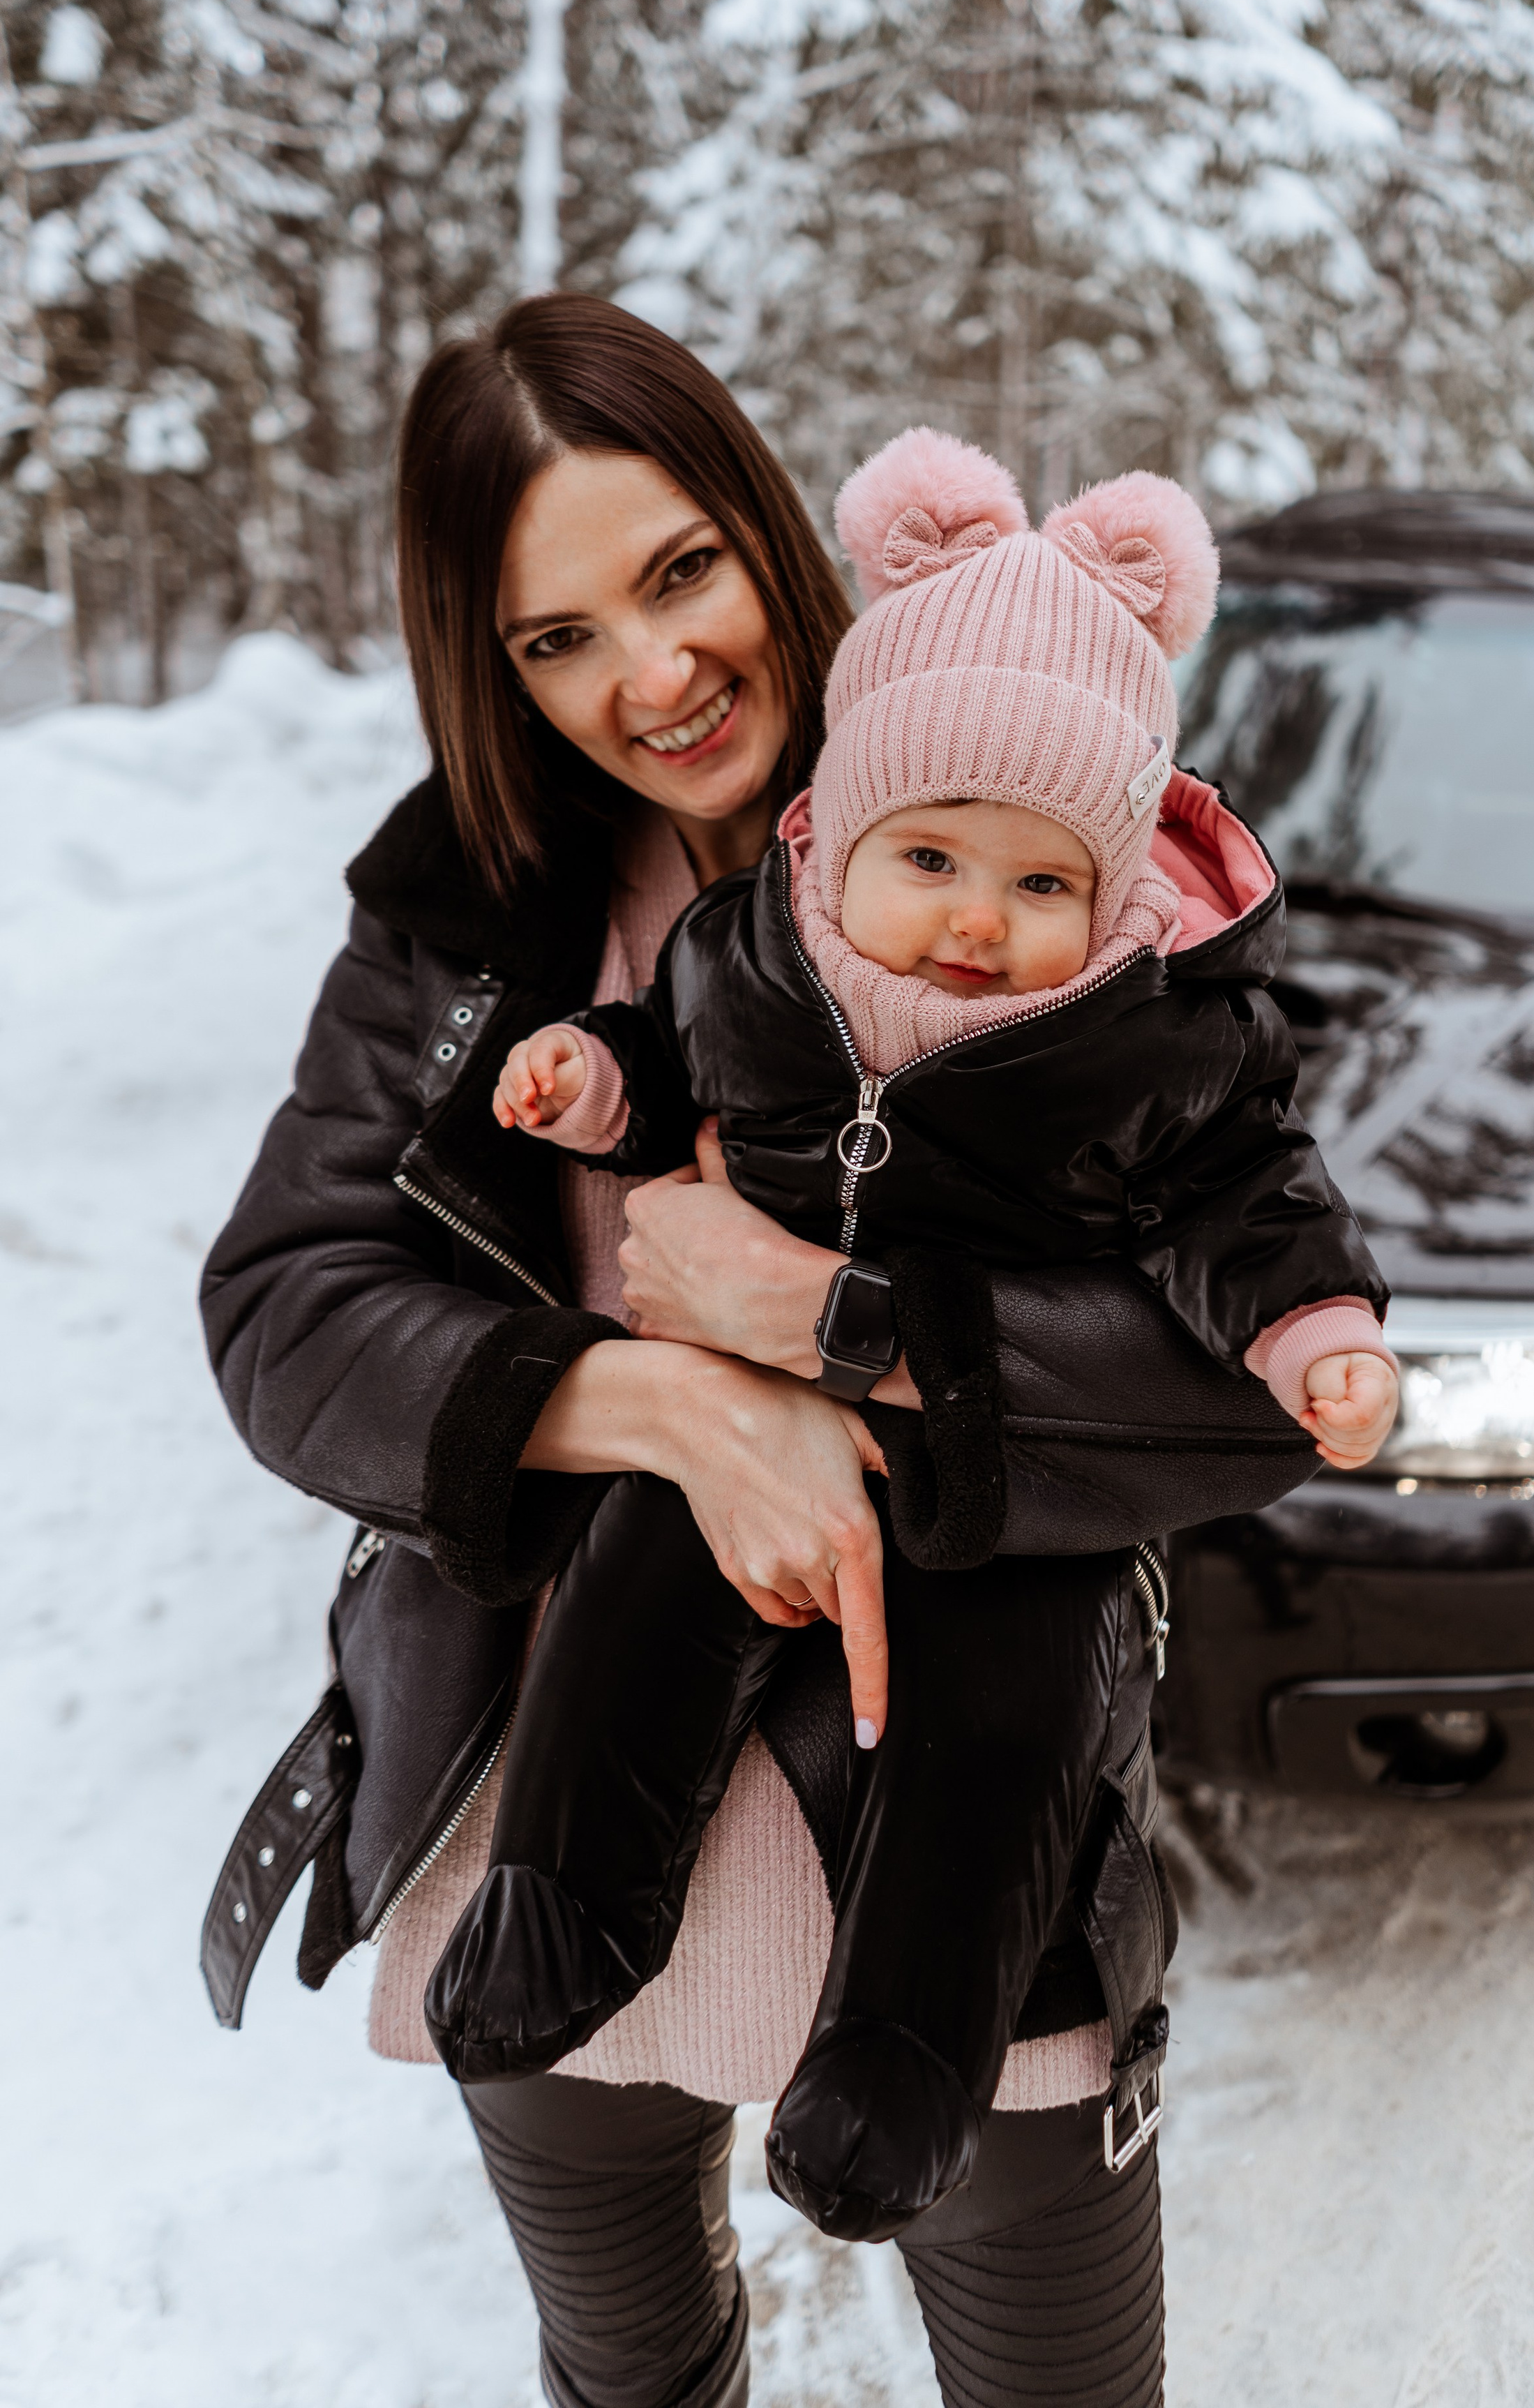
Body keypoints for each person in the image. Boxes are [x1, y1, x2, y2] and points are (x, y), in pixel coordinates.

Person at [200, 295, 1347, 2408]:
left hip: (959, 1862)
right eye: (555, 641)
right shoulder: (468, 910)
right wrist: (668, 1401)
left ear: (770, 532)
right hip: (543, 1810)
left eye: (676, 574)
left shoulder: (1015, 810)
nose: (647, 678)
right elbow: (284, 1304)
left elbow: (1251, 1371)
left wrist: (850, 1333)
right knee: (633, 2372)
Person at [423, 428, 1397, 2248]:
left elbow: (1246, 1197)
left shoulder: (1148, 1043)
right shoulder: (755, 957)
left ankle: (905, 2057)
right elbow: (674, 1059)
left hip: (999, 1487)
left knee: (1007, 1735)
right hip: (741, 1423)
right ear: (838, 833)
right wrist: (596, 1079)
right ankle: (574, 1896)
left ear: (1113, 893)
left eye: (1043, 886)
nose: (978, 922)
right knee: (636, 1596)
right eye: (931, 856)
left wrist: (1314, 1329)